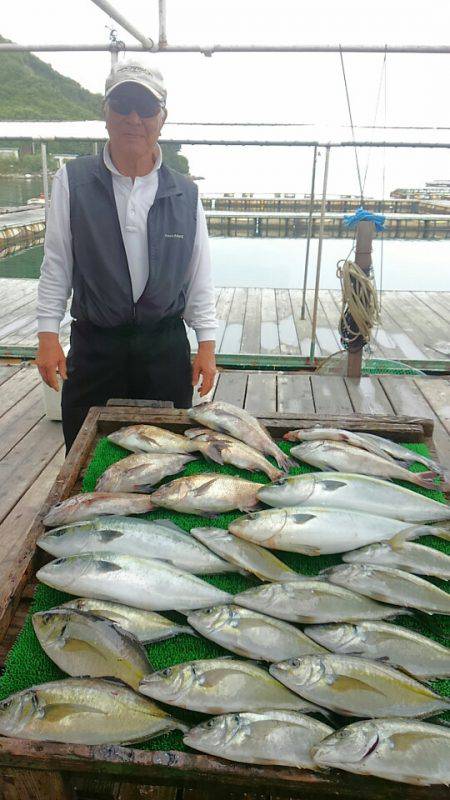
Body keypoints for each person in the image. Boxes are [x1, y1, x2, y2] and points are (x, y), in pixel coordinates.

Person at [36, 59, 217, 452]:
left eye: (146, 107)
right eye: (123, 105)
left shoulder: (185, 193)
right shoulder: (73, 180)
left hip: (164, 345)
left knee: (166, 454)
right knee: (84, 452)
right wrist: (47, 335)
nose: (134, 117)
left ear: (162, 118)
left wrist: (206, 343)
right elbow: (56, 264)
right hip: (95, 343)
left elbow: (197, 275)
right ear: (106, 113)